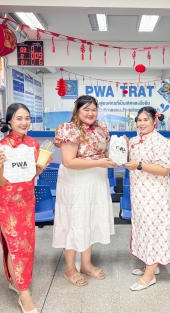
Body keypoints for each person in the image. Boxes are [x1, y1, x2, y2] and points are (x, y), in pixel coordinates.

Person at [52, 95, 116, 287]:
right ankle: (70, 268)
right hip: (75, 182)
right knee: (74, 221)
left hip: (96, 180)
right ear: (77, 110)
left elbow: (104, 153)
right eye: (86, 109)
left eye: (93, 109)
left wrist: (118, 155)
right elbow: (68, 161)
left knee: (90, 219)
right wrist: (98, 162)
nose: (90, 113)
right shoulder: (68, 128)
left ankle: (87, 264)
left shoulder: (102, 127)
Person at [0, 103, 48, 313]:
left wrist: (41, 166)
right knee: (16, 246)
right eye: (18, 118)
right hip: (6, 203)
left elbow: (30, 175)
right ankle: (24, 294)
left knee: (26, 245)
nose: (24, 122)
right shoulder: (1, 146)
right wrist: (1, 163)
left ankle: (15, 282)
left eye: (27, 118)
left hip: (26, 201)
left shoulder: (34, 144)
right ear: (9, 121)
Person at [125, 106, 170, 291]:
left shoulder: (162, 142)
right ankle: (150, 264)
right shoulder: (134, 140)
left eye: (145, 119)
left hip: (155, 195)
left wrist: (139, 165)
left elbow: (165, 170)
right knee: (143, 229)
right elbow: (130, 160)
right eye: (139, 120)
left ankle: (150, 275)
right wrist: (124, 148)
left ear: (155, 120)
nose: (141, 123)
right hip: (139, 193)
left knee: (153, 230)